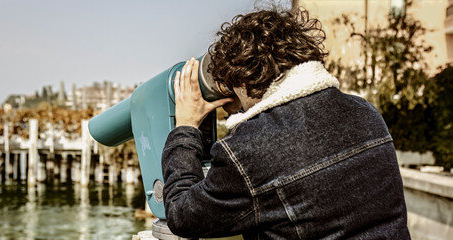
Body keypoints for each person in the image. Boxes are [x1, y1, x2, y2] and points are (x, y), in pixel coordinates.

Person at [162, 6, 410, 239]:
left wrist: (186, 127)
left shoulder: (247, 151)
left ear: (245, 80)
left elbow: (182, 215)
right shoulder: (365, 111)